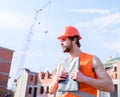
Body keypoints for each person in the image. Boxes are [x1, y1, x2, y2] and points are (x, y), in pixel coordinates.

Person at [49, 26, 114, 97]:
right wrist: (55, 81)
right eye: (60, 41)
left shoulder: (92, 60)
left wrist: (85, 79)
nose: (61, 43)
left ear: (74, 39)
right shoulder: (61, 64)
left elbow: (110, 87)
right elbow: (51, 91)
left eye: (64, 39)